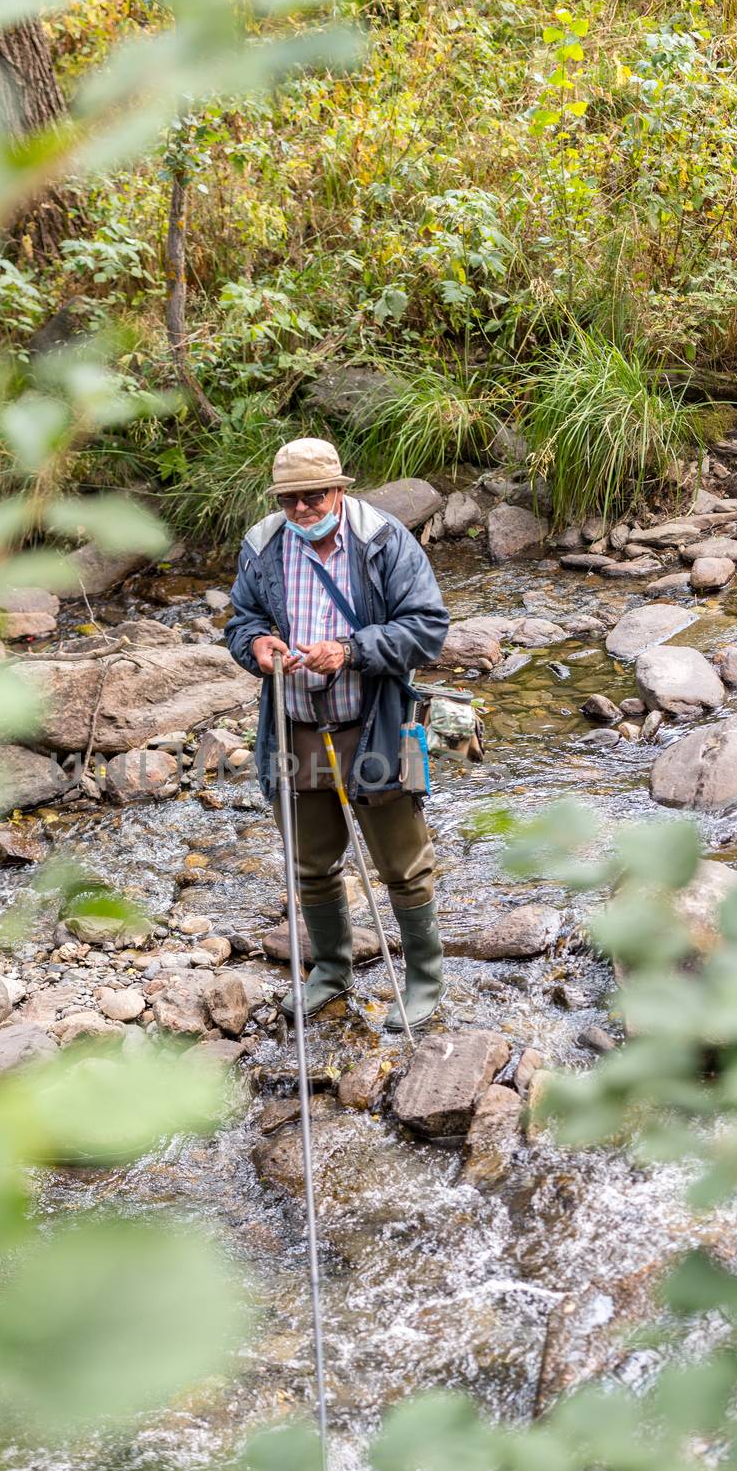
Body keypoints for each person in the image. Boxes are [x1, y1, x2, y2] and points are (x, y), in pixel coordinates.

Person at [225, 436, 450, 1028]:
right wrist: (255, 644)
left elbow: (427, 628)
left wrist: (350, 651)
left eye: (314, 496)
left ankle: (425, 978)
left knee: (402, 863)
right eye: (290, 498)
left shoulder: (383, 541)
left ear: (339, 490)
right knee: (310, 863)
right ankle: (331, 968)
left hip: (373, 725)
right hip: (294, 727)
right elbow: (241, 619)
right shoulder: (263, 545)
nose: (301, 510)